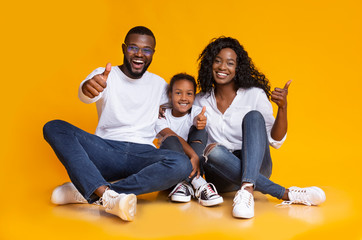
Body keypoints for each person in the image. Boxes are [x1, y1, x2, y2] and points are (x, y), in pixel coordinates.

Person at [43, 26, 192, 221]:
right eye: (133, 48)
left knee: (181, 163)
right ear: (123, 48)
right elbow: (87, 92)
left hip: (144, 155)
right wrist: (88, 88)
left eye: (146, 50)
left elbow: (182, 106)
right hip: (105, 151)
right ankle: (102, 192)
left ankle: (95, 192)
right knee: (54, 127)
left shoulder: (160, 85)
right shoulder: (105, 75)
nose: (139, 54)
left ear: (153, 53)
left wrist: (198, 126)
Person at [194, 37, 326, 219]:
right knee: (213, 152)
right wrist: (166, 109)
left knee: (254, 117)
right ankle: (286, 193)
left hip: (256, 165)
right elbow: (185, 128)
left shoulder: (254, 94)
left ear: (237, 68)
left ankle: (247, 188)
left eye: (230, 63)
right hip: (220, 173)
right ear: (210, 64)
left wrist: (283, 108)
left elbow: (276, 140)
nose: (223, 67)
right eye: (217, 61)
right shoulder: (200, 100)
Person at [155, 73, 223, 206]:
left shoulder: (196, 111)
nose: (184, 98)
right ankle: (200, 185)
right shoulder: (161, 115)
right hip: (171, 170)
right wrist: (193, 156)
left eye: (189, 94)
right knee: (170, 140)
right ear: (170, 95)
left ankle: (185, 184)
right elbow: (172, 135)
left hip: (195, 167)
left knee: (200, 131)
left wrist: (200, 121)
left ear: (194, 96)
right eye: (178, 93)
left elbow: (198, 118)